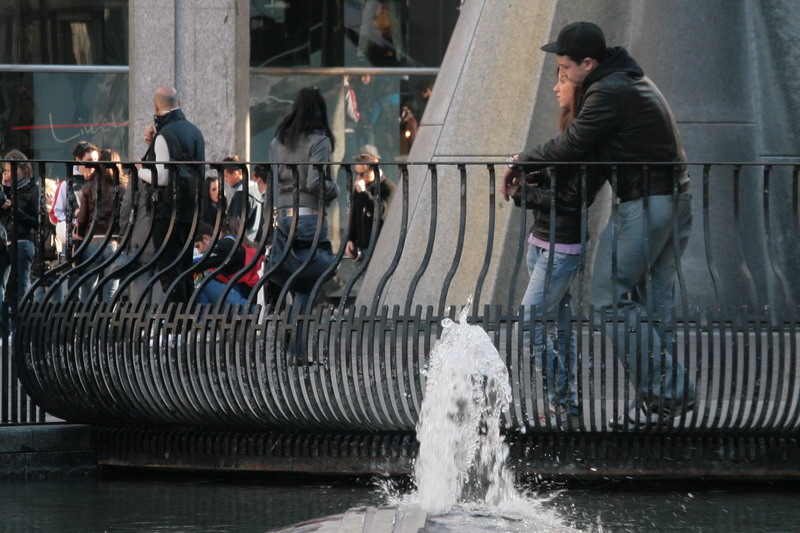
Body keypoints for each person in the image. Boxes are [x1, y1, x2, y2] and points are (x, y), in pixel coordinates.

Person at [502, 22, 695, 428]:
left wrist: (522, 161)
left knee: (607, 300)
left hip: (647, 202)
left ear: (588, 63)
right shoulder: (624, 80)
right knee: (653, 304)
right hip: (670, 200)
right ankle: (662, 408)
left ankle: (671, 393)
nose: (562, 77)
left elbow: (573, 145)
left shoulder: (609, 91)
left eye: (566, 68)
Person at [511, 69, 604, 429]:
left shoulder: (588, 138)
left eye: (563, 78)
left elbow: (571, 198)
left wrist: (521, 191)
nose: (555, 86)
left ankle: (561, 399)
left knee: (529, 320)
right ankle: (566, 408)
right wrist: (536, 176)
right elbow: (560, 181)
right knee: (561, 327)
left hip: (561, 247)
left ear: (579, 89)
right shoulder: (571, 129)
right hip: (542, 241)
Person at [268, 86, 339, 361]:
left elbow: (273, 186)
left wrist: (269, 224)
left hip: (283, 217)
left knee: (293, 278)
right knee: (308, 282)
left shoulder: (278, 141)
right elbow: (315, 182)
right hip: (309, 217)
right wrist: (336, 190)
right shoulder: (318, 140)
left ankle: (287, 332)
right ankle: (297, 348)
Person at [137, 85, 205, 306]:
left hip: (168, 211)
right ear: (179, 104)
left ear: (156, 105)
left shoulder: (164, 135)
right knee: (184, 268)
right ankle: (186, 321)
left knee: (169, 269)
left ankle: (176, 327)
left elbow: (162, 177)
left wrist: (140, 169)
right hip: (191, 209)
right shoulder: (194, 131)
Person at [74, 149, 123, 303]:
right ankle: (106, 325)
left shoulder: (89, 187)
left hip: (92, 241)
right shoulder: (122, 188)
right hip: (113, 241)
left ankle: (84, 324)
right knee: (110, 290)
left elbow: (82, 219)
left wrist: (78, 240)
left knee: (87, 290)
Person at [0, 150, 39, 311]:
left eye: (12, 170)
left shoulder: (32, 190)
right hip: (4, 241)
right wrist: (4, 190)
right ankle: (4, 328)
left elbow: (37, 222)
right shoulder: (6, 190)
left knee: (21, 289)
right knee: (3, 288)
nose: (9, 174)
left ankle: (21, 329)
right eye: (7, 170)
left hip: (22, 241)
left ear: (23, 169)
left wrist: (17, 211)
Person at [192, 221, 263, 307]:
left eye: (198, 246)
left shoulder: (225, 245)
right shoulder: (231, 242)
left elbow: (198, 263)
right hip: (246, 297)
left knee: (201, 283)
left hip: (248, 303)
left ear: (206, 239)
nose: (199, 251)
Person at [345, 151, 395, 262]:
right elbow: (354, 215)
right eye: (356, 173)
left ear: (374, 171)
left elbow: (381, 212)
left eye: (362, 174)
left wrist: (364, 192)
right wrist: (351, 239)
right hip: (363, 248)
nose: (358, 178)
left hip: (381, 248)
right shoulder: (360, 187)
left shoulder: (388, 188)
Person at [50, 141, 98, 255]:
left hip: (99, 237)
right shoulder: (67, 184)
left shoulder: (101, 182)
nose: (93, 165)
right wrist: (74, 221)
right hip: (77, 239)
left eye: (96, 161)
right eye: (89, 161)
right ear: (78, 160)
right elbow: (54, 214)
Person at [221, 155, 263, 243]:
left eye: (226, 176)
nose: (225, 180)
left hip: (244, 244)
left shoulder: (241, 195)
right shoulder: (255, 190)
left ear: (235, 174)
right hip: (256, 243)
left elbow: (235, 225)